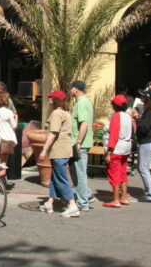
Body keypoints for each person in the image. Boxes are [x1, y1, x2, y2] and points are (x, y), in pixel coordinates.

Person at [37, 89, 79, 217]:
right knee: (55, 177)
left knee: (61, 178)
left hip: (59, 149)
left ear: (56, 100)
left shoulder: (56, 113)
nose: (49, 99)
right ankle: (50, 203)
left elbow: (53, 133)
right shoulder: (65, 112)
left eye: (51, 97)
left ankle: (72, 205)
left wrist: (44, 150)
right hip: (64, 149)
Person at [68, 80, 94, 211]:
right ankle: (86, 194)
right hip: (80, 143)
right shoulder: (82, 102)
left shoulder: (82, 103)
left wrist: (78, 141)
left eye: (70, 88)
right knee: (77, 172)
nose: (69, 90)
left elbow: (84, 123)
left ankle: (83, 202)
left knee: (79, 173)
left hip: (80, 145)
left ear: (76, 89)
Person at [103, 95, 133, 209]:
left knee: (114, 172)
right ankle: (124, 197)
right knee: (122, 172)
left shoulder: (116, 116)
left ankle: (116, 199)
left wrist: (109, 152)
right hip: (126, 146)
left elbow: (114, 135)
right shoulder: (128, 116)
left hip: (117, 148)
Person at [135, 89, 151, 202]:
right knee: (143, 167)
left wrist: (137, 119)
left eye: (143, 95)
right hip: (147, 141)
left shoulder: (150, 111)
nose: (141, 96)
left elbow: (144, 127)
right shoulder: (149, 109)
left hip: (148, 141)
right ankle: (149, 191)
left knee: (143, 167)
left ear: (148, 98)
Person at [0, 92, 17, 180]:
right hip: (6, 139)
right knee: (4, 162)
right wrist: (16, 118)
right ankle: (1, 184)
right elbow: (14, 126)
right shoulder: (8, 112)